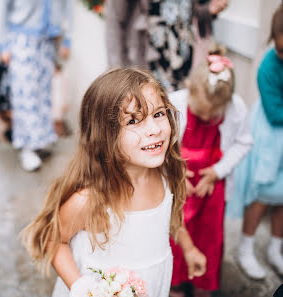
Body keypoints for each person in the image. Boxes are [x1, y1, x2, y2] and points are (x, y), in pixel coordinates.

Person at [22, 68, 207, 297]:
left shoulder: (166, 174)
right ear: (104, 135)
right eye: (133, 120)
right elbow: (53, 240)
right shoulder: (90, 199)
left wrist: (188, 249)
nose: (154, 130)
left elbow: (169, 217)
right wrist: (79, 286)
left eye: (158, 114)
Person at [168, 47, 253, 296]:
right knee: (175, 238)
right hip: (180, 185)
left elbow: (244, 142)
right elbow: (161, 145)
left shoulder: (236, 108)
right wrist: (176, 172)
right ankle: (174, 287)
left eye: (212, 114)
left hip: (212, 190)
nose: (206, 117)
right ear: (190, 90)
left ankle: (203, 287)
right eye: (201, 111)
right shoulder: (175, 103)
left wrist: (218, 171)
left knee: (208, 239)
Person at [228, 3, 283, 280]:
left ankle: (276, 248)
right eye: (282, 49)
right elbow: (275, 114)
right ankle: (246, 248)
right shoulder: (267, 68)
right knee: (262, 194)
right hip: (272, 137)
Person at [0, 0, 72, 172]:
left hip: (48, 39)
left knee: (43, 94)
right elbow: (2, 7)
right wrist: (4, 44)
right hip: (21, 38)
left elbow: (66, 4)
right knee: (25, 95)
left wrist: (67, 38)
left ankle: (40, 141)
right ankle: (26, 147)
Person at [104, 0, 228, 91]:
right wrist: (118, 74)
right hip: (149, 64)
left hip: (183, 66)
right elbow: (114, 20)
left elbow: (190, 10)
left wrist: (209, 9)